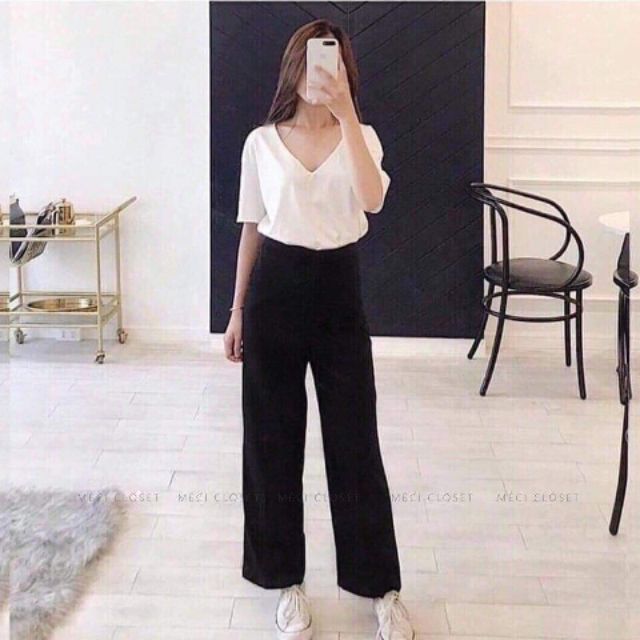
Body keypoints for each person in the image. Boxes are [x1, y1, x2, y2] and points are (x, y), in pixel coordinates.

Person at [224, 18, 414, 640]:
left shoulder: (364, 137)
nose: (318, 73)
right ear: (292, 68)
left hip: (338, 293)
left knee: (356, 444)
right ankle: (285, 583)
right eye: (309, 61)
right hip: (274, 292)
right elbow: (251, 226)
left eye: (329, 62)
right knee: (271, 443)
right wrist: (236, 311)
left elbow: (373, 199)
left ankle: (380, 588)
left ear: (344, 71)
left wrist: (347, 114)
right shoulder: (261, 143)